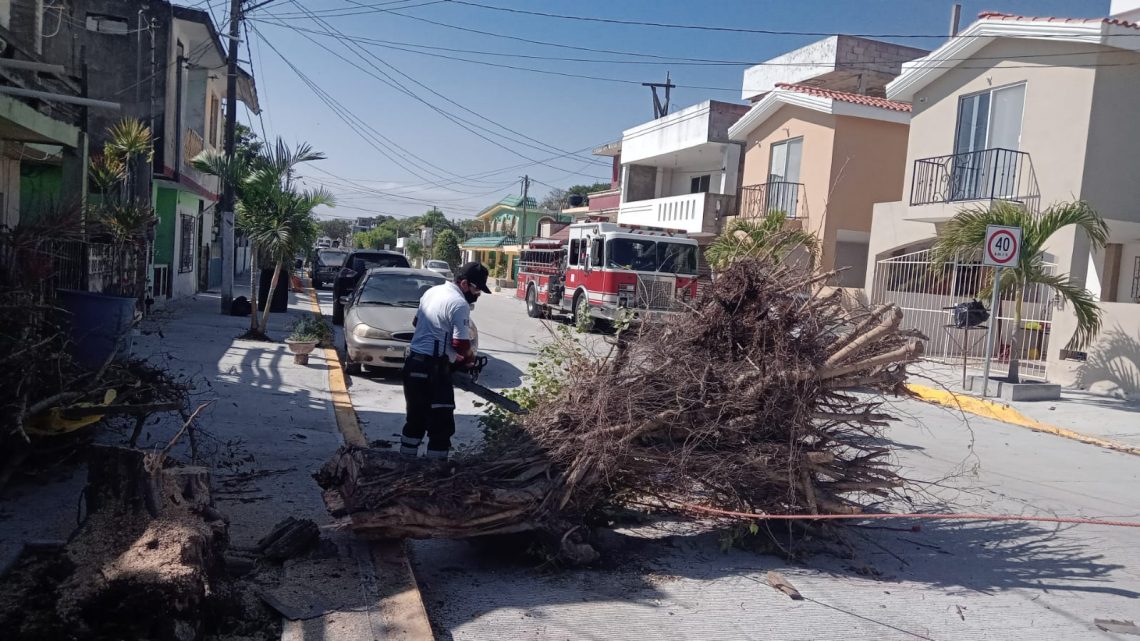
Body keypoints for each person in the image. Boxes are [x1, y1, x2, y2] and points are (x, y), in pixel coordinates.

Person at [400, 261, 491, 459]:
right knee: (441, 424)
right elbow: (460, 343)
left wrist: (448, 350)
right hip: (433, 369)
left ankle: (404, 466)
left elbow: (417, 322)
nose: (477, 295)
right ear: (464, 284)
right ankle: (435, 474)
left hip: (413, 363)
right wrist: (469, 359)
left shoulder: (432, 292)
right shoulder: (459, 303)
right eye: (476, 289)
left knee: (415, 421)